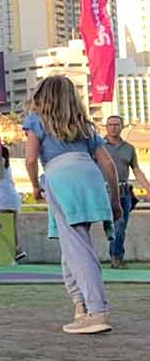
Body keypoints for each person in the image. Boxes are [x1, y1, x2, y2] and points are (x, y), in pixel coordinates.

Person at [23, 75, 123, 335]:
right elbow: (108, 165)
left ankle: (97, 310)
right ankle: (80, 306)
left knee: (78, 248)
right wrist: (114, 200)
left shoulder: (36, 121)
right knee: (73, 246)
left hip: (60, 178)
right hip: (90, 176)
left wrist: (34, 186)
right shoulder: (85, 127)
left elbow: (31, 159)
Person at [100, 115, 149, 269]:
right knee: (115, 225)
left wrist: (147, 187)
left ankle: (116, 256)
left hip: (124, 192)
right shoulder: (99, 146)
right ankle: (116, 257)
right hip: (105, 192)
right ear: (106, 127)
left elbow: (136, 170)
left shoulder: (129, 148)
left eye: (117, 124)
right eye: (110, 124)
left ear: (122, 127)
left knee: (121, 226)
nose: (114, 127)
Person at [0, 144, 27, 263]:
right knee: (12, 228)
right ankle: (18, 251)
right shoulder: (7, 165)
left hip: (4, 200)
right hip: (13, 199)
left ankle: (8, 252)